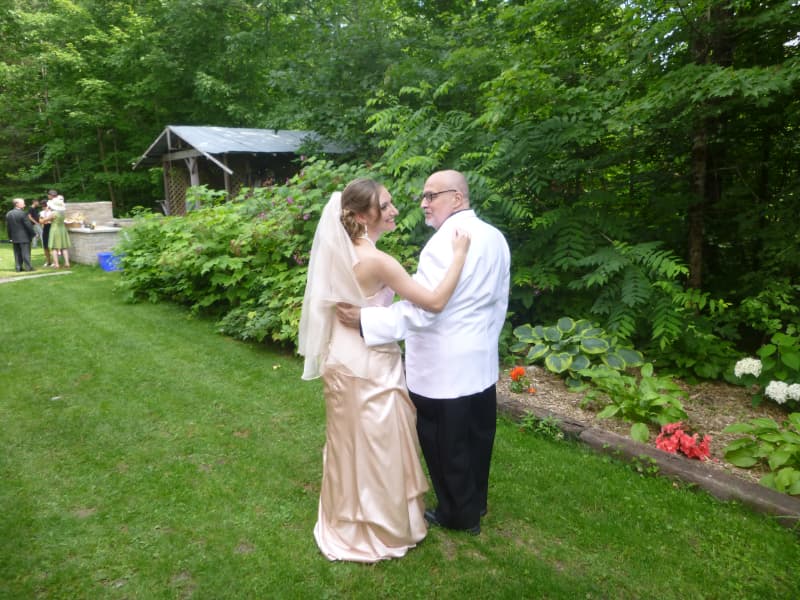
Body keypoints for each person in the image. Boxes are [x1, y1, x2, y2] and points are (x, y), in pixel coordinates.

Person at [298, 178, 471, 563]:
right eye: (386, 205)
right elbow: (435, 302)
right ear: (362, 216)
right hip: (371, 362)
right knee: (380, 445)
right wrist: (459, 254)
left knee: (348, 444)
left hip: (340, 359)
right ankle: (383, 528)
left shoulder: (337, 253)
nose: (394, 211)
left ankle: (346, 522)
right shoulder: (378, 261)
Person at [337, 170, 510, 535]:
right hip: (481, 363)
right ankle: (475, 502)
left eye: (431, 196)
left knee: (445, 444)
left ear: (457, 199)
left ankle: (458, 515)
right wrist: (486, 341)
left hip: (443, 367)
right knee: (478, 437)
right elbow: (499, 302)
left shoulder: (442, 244)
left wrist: (368, 321)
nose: (423, 203)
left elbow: (424, 310)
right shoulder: (495, 238)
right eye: (424, 196)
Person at [5, 198, 36, 272]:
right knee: (26, 253)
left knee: (17, 253)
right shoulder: (23, 213)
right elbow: (28, 225)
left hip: (14, 237)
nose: (25, 204)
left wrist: (10, 237)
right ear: (17, 204)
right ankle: (28, 267)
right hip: (24, 236)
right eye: (23, 203)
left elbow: (8, 227)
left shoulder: (9, 213)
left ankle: (18, 267)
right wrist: (34, 234)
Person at [46, 191, 71, 269]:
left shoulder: (53, 213)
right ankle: (67, 263)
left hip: (55, 229)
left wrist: (43, 217)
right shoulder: (62, 213)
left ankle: (56, 264)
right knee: (64, 247)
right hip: (62, 229)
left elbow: (44, 220)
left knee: (54, 247)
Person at [39, 199, 54, 267]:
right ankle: (48, 261)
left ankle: (54, 261)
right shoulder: (41, 212)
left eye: (45, 205)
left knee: (52, 245)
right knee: (45, 246)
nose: (44, 207)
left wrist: (45, 220)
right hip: (45, 228)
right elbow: (41, 221)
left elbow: (51, 220)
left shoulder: (52, 212)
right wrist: (44, 220)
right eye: (43, 206)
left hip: (52, 227)